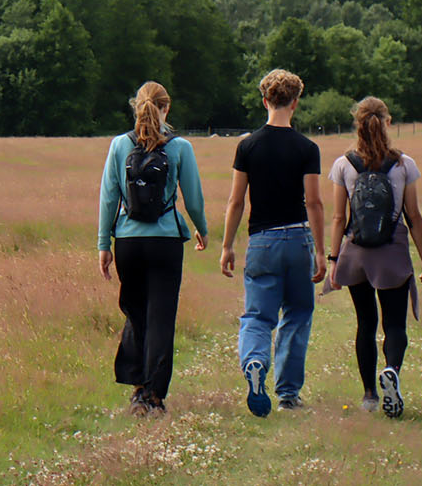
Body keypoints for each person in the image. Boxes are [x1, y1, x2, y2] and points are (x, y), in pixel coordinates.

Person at [324, 96, 422, 418]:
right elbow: (414, 216)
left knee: (365, 323)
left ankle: (369, 395)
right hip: (392, 251)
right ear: (387, 123)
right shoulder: (404, 164)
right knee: (394, 324)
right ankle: (392, 371)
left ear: (356, 124)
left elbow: (338, 218)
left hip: (356, 253)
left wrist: (335, 261)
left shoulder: (343, 164)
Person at [98, 81, 209, 416]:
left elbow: (108, 198)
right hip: (165, 243)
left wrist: (104, 244)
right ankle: (155, 397)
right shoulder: (181, 148)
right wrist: (202, 231)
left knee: (136, 312)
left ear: (136, 107)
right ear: (167, 108)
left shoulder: (119, 146)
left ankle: (136, 390)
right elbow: (194, 199)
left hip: (128, 242)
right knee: (161, 318)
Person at [220, 69, 326, 416]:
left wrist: (227, 246)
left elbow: (236, 201)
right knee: (297, 312)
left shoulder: (247, 146)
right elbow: (313, 202)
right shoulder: (307, 148)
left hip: (262, 241)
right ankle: (288, 394)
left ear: (265, 100)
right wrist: (321, 251)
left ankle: (254, 362)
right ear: (295, 103)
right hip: (298, 238)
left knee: (257, 316)